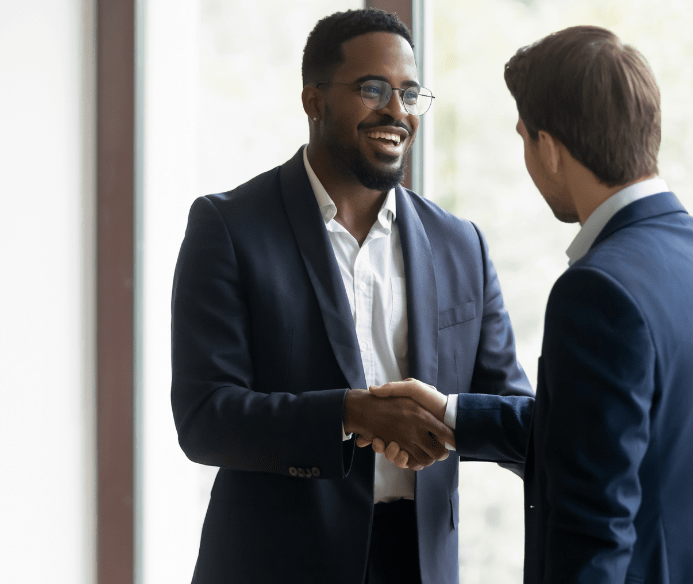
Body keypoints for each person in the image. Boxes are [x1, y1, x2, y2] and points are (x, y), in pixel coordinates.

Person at [170, 8, 533, 584]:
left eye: (410, 93)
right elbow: (204, 417)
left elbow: (516, 414)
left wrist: (453, 419)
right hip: (276, 565)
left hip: (419, 563)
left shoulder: (462, 245)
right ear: (314, 100)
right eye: (373, 89)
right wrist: (348, 413)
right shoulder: (229, 227)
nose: (397, 111)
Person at [503, 26, 693, 583]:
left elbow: (593, 529)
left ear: (549, 149)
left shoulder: (597, 290)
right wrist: (455, 417)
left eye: (523, 138)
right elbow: (645, 441)